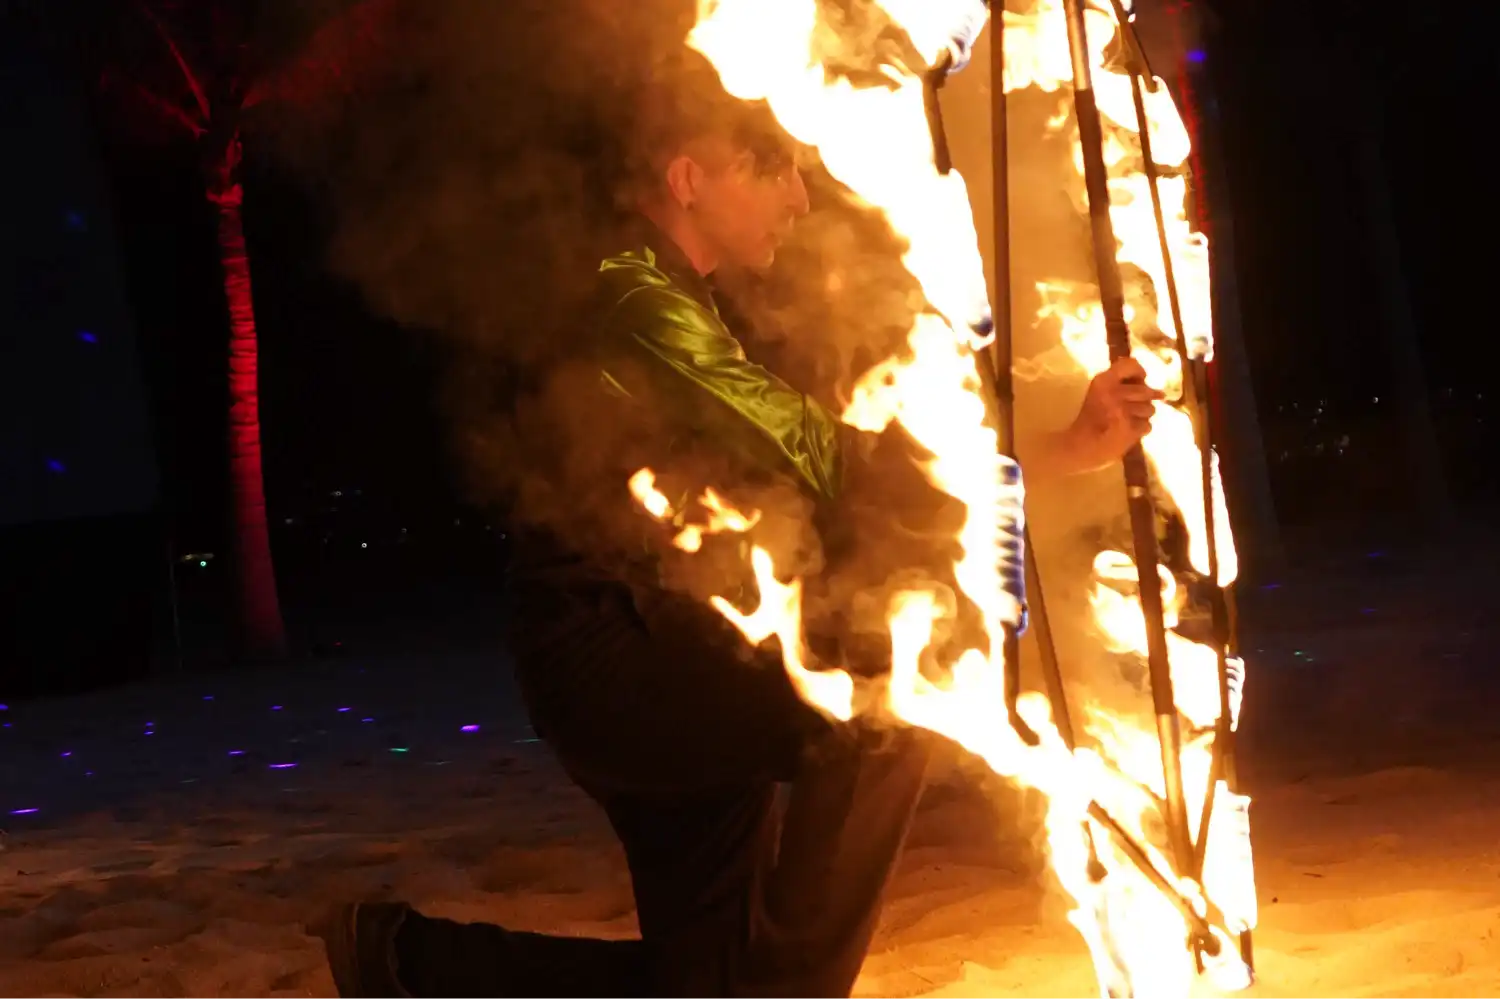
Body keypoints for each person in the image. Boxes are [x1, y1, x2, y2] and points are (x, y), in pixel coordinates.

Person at [315, 69, 1161, 1000]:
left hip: (680, 646)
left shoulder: (666, 292)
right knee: (897, 699)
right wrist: (1060, 447)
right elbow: (814, 453)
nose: (799, 197)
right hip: (618, 662)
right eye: (774, 170)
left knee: (708, 988)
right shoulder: (633, 298)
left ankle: (403, 963)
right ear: (689, 178)